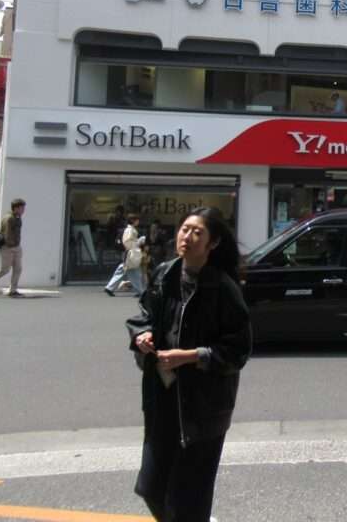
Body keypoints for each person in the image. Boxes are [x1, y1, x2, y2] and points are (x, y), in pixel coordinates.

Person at [126, 208, 251, 521]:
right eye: (185, 229)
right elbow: (143, 315)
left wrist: (191, 355)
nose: (188, 237)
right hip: (162, 397)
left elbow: (238, 350)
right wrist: (142, 335)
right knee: (151, 487)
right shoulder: (164, 274)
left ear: (212, 243)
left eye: (198, 232)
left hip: (203, 408)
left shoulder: (223, 288)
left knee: (189, 501)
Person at [105, 214, 145, 296]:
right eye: (137, 220)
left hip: (129, 253)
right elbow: (126, 241)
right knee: (134, 271)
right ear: (133, 221)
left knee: (127, 270)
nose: (138, 222)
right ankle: (141, 291)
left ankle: (110, 287)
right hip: (130, 253)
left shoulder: (130, 229)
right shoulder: (130, 230)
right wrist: (138, 242)